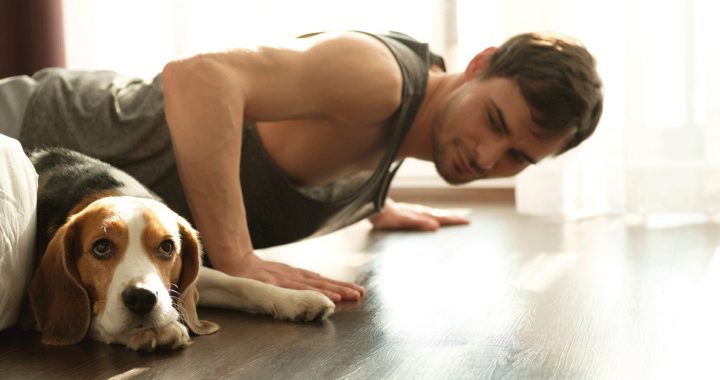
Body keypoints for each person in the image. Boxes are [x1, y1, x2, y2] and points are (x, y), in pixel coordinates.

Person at [2, 30, 603, 302]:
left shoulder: (398, 138)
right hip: (28, 138)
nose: (488, 157)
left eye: (519, 157)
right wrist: (236, 258)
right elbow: (200, 77)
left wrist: (372, 200)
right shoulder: (381, 77)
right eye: (496, 122)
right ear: (480, 64)